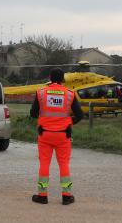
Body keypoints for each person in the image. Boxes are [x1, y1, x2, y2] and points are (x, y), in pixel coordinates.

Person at [30, 68, 83, 205]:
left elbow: (33, 113)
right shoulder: (70, 94)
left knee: (44, 164)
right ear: (63, 79)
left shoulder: (41, 93)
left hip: (45, 134)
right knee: (64, 164)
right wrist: (69, 122)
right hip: (63, 135)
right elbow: (80, 115)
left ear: (50, 77)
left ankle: (42, 196)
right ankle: (66, 196)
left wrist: (43, 119)